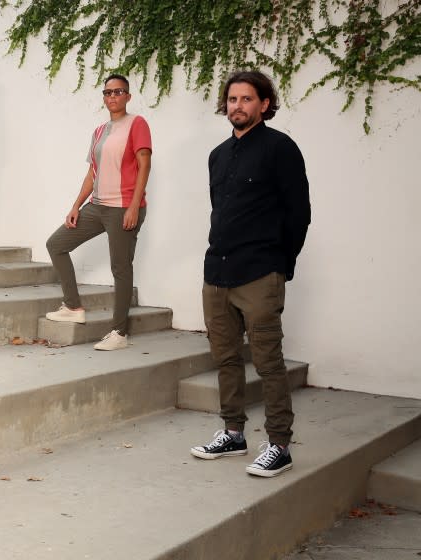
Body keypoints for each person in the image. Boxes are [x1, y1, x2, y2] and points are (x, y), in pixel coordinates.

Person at [190, 71, 311, 477]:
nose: (237, 106)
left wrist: (280, 265)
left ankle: (279, 444)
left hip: (259, 272)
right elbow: (219, 211)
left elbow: (299, 214)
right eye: (232, 99)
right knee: (225, 358)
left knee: (268, 361)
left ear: (263, 104)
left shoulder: (281, 149)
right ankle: (233, 432)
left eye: (246, 99)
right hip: (217, 271)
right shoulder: (217, 155)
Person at [44, 74, 152, 351]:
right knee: (56, 244)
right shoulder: (99, 131)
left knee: (120, 268)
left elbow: (144, 166)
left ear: (128, 96)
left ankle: (119, 333)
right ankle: (73, 306)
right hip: (98, 205)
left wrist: (133, 206)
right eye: (107, 92)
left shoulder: (137, 124)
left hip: (123, 208)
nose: (112, 97)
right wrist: (76, 205)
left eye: (118, 92)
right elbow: (93, 173)